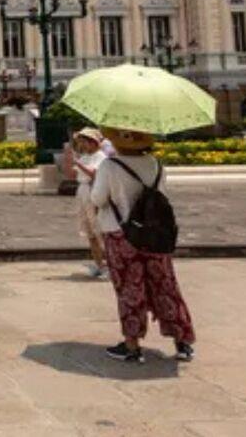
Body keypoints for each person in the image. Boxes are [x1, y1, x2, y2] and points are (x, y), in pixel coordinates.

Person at [88, 128, 196, 364]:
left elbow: (97, 199)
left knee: (129, 288)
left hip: (121, 234)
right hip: (155, 233)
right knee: (165, 284)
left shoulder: (109, 166)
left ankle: (132, 345)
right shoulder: (155, 164)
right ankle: (183, 342)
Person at [71, 127, 108, 278]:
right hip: (83, 191)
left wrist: (78, 164)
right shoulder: (85, 156)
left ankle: (108, 265)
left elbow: (94, 174)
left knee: (99, 230)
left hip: (93, 191)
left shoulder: (101, 157)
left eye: (85, 142)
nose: (83, 145)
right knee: (90, 232)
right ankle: (98, 263)